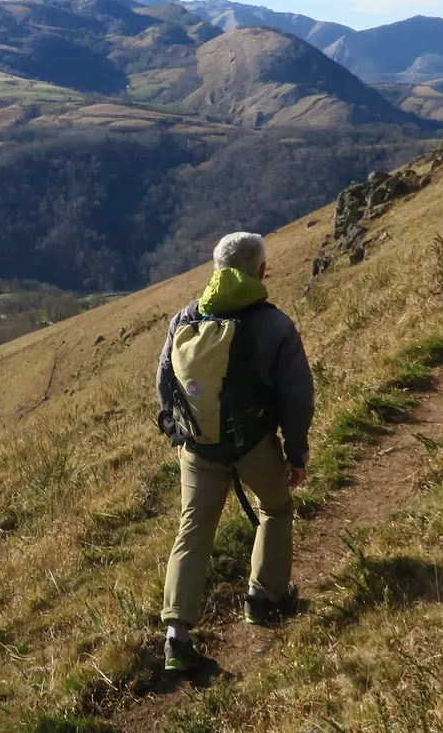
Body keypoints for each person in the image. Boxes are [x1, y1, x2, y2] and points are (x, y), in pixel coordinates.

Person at [155, 232, 315, 672]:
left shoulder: (185, 318)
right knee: (276, 509)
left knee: (193, 530)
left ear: (214, 267)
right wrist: (296, 453)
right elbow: (296, 395)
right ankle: (265, 599)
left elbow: (164, 385)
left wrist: (183, 435)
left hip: (198, 447)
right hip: (253, 444)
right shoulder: (273, 324)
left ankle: (176, 638)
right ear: (260, 271)